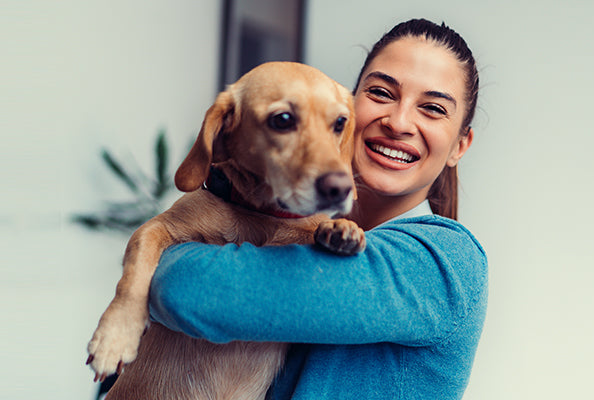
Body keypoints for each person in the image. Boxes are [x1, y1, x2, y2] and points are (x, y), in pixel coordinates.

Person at [148, 18, 487, 400]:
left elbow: (184, 290)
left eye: (433, 108)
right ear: (346, 108)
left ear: (460, 145)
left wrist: (155, 257)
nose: (398, 122)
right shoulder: (308, 233)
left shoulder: (444, 261)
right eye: (380, 92)